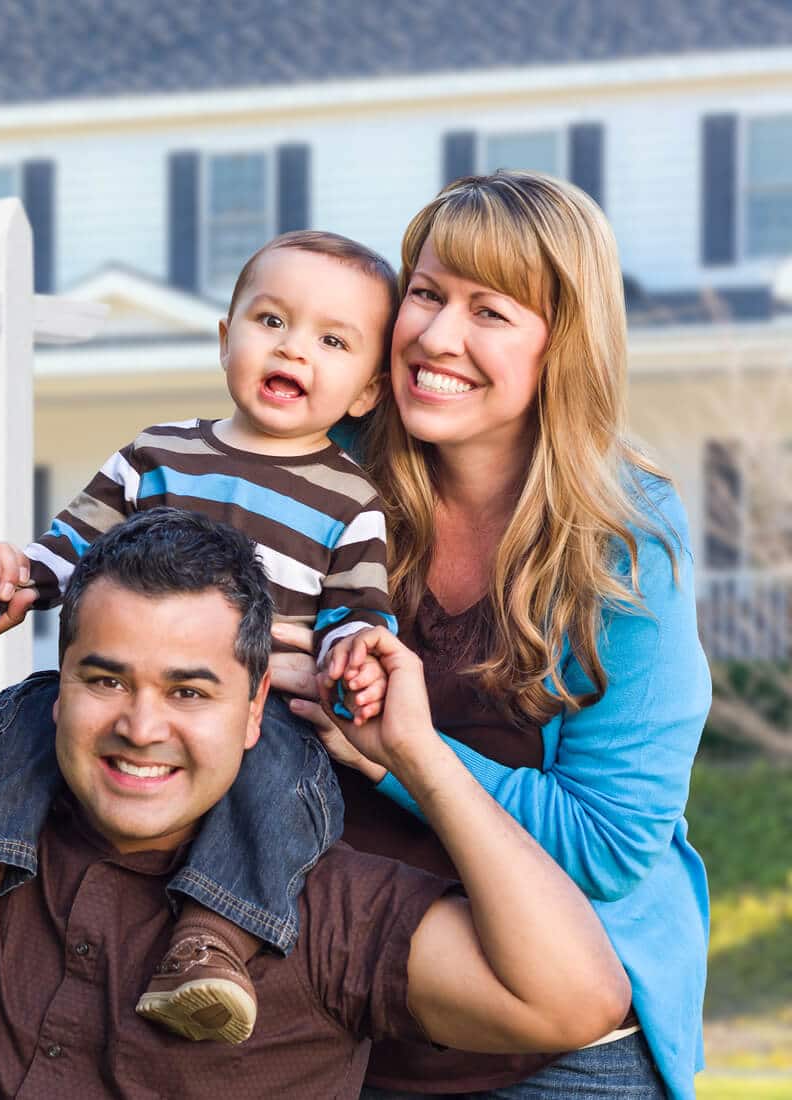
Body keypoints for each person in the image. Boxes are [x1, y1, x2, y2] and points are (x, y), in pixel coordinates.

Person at [0, 509, 632, 1098]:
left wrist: (413, 751)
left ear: (251, 713)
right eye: (104, 679)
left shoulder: (319, 907)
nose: (140, 724)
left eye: (189, 690)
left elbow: (573, 997)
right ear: (54, 686)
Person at [0, 229, 401, 1044]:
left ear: (365, 392)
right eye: (270, 320)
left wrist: (355, 657)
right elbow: (71, 552)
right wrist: (7, 582)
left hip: (260, 703)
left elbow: (360, 612)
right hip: (122, 685)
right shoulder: (157, 454)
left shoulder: (351, 500)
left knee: (285, 781)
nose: (293, 349)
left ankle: (214, 946)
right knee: (18, 718)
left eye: (331, 340)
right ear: (226, 338)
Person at [282, 171, 709, 1099]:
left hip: (559, 1048)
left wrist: (397, 754)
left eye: (491, 312)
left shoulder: (625, 544)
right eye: (428, 294)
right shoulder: (320, 480)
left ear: (563, 347)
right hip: (331, 1018)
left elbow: (606, 845)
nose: (438, 337)